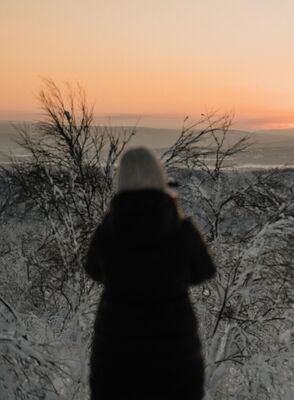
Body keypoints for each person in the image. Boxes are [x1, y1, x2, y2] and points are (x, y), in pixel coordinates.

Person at [84, 147, 215, 399]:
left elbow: (93, 271)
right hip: (175, 350)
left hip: (115, 350)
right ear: (159, 177)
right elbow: (204, 272)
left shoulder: (107, 231)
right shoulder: (180, 228)